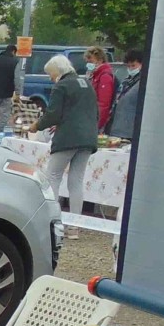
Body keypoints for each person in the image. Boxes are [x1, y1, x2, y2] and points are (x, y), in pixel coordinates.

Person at [31, 52, 97, 214]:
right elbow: (93, 112)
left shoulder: (61, 86)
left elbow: (53, 114)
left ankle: (52, 219)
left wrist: (37, 126)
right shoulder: (86, 83)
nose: (50, 78)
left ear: (58, 71)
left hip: (68, 138)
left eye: (51, 74)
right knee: (76, 181)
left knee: (53, 176)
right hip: (88, 138)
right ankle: (75, 224)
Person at [0, 39, 23, 133]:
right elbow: (17, 78)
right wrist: (18, 93)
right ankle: (0, 131)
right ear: (14, 51)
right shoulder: (15, 62)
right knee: (5, 114)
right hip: (7, 93)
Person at [113, 51, 145, 140]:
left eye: (133, 65)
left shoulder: (143, 82)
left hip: (131, 130)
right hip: (119, 128)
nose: (130, 68)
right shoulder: (127, 81)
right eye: (128, 66)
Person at [86, 46, 116, 135]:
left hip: (98, 121)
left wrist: (97, 124)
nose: (88, 64)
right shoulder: (94, 75)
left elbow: (103, 104)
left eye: (91, 61)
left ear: (100, 60)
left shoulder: (105, 76)